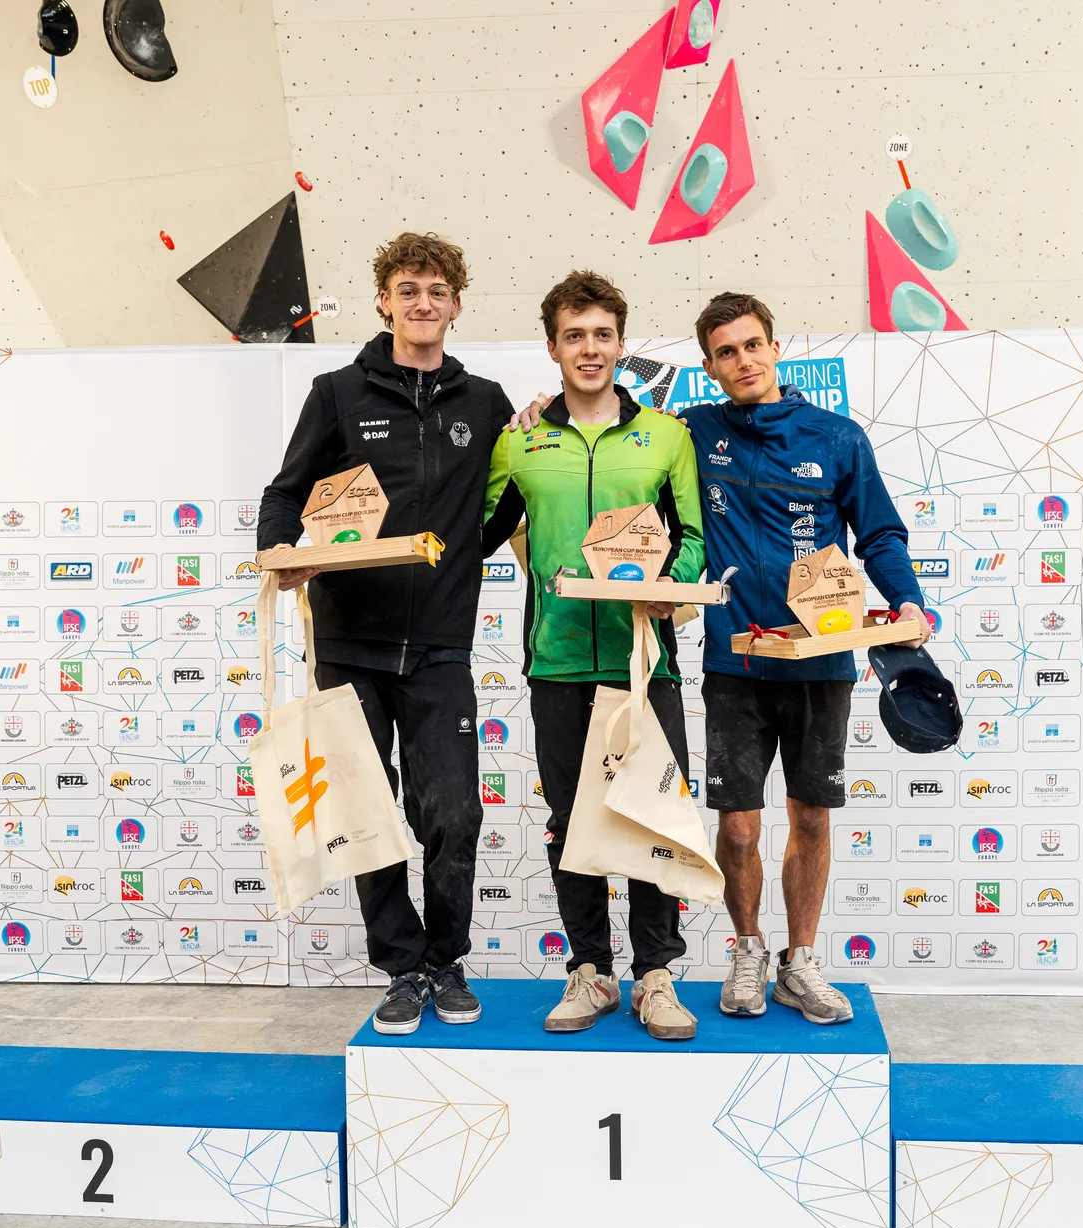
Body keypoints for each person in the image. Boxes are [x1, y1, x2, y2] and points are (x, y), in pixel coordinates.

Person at [258, 232, 514, 1035]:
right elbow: (284, 492)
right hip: (349, 646)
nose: (423, 303)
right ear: (383, 300)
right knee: (367, 814)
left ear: (457, 304)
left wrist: (466, 552)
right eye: (408, 289)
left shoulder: (488, 403)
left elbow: (505, 501)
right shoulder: (337, 393)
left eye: (437, 290)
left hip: (441, 645)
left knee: (454, 815)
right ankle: (402, 968)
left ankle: (447, 959)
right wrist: (282, 553)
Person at [684, 292, 926, 1024]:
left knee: (813, 820)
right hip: (736, 661)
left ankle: (801, 960)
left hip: (823, 661)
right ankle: (749, 949)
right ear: (709, 366)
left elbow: (879, 534)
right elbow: (613, 423)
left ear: (774, 348)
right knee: (738, 827)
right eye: (726, 351)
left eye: (753, 344)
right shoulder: (688, 433)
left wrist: (907, 601)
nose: (743, 360)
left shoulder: (837, 436)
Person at [480, 270, 708, 1040]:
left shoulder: (666, 436)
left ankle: (655, 976)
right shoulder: (522, 440)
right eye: (573, 335)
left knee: (651, 817)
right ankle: (591, 970)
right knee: (571, 819)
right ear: (552, 347)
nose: (589, 348)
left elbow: (694, 538)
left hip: (647, 660)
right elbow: (477, 530)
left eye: (602, 334)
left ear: (622, 344)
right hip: (557, 661)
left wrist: (664, 585)